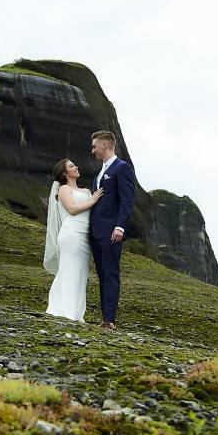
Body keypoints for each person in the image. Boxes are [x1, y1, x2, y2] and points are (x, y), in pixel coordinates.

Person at [44, 159, 103, 321]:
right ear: (64, 173)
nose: (76, 167)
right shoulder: (63, 189)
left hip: (84, 237)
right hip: (71, 235)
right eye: (71, 166)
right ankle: (63, 309)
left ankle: (76, 313)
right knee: (69, 270)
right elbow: (71, 209)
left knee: (80, 273)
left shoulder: (85, 191)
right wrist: (92, 201)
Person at [88, 130, 135, 328]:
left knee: (111, 273)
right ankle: (104, 317)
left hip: (111, 231)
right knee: (102, 274)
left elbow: (127, 199)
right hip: (96, 232)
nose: (93, 150)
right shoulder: (100, 172)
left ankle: (109, 320)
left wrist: (120, 227)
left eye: (94, 146)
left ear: (105, 145)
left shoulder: (122, 168)